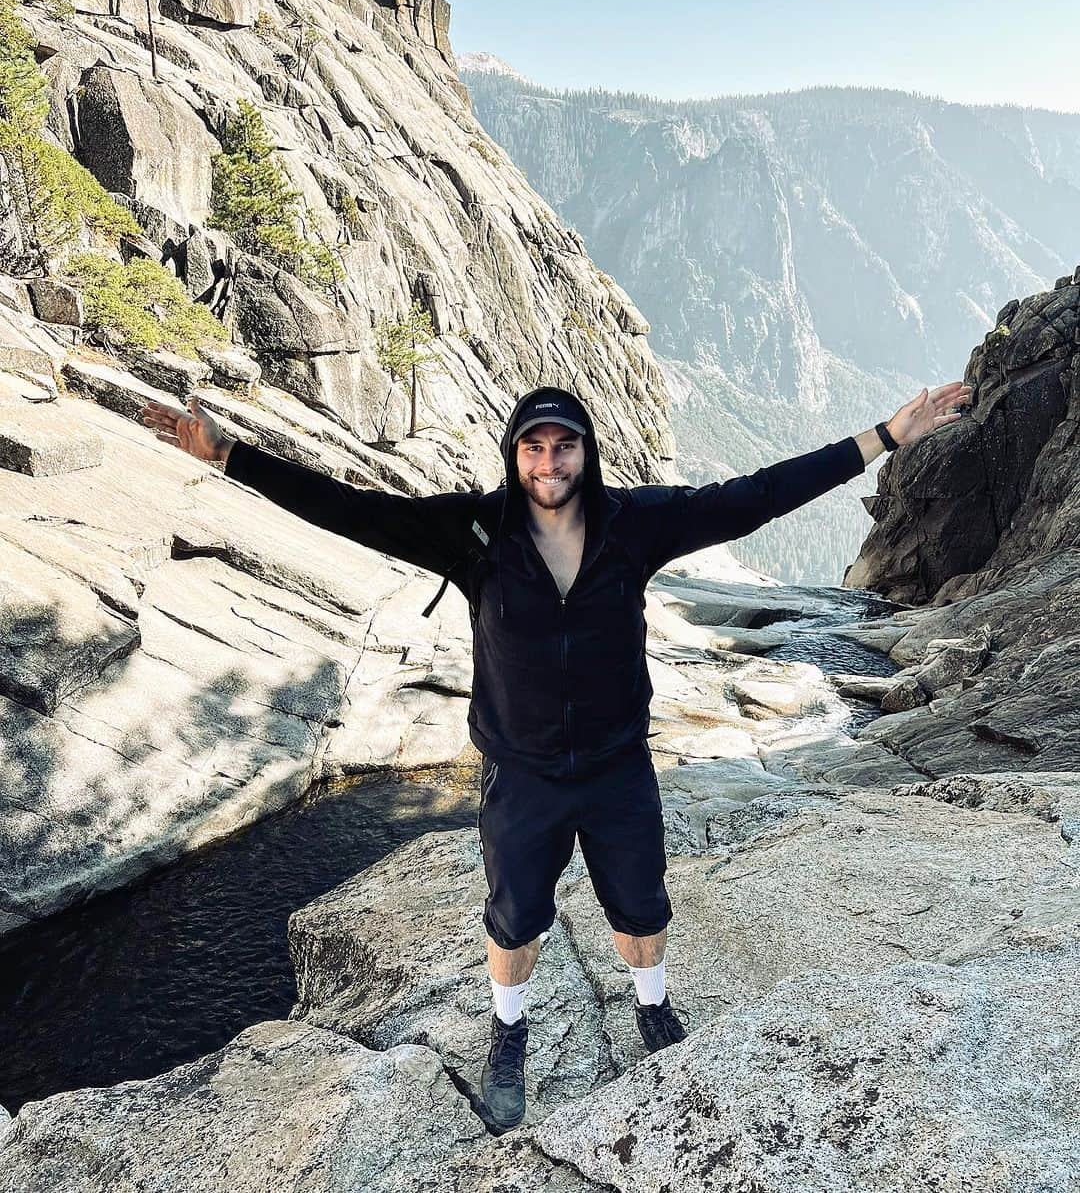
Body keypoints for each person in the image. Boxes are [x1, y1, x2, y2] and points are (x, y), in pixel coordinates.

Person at [141, 377, 971, 1131]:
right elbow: (350, 509)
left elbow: (754, 498)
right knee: (515, 916)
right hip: (521, 771)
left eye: (563, 445)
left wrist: (885, 438)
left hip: (616, 764)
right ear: (515, 456)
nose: (548, 462)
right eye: (533, 447)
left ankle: (651, 1007)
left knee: (641, 907)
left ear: (586, 452)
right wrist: (228, 455)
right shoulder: (473, 532)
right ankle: (509, 1033)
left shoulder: (635, 524)